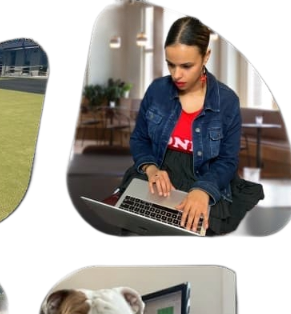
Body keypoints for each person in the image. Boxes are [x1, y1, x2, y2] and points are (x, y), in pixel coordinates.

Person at [104, 16, 263, 236]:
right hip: (158, 171)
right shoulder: (156, 90)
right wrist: (151, 169)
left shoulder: (227, 101)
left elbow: (227, 160)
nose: (176, 74)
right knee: (135, 229)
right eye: (170, 64)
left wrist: (203, 190)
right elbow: (139, 139)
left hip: (205, 176)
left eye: (187, 66)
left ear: (206, 56)